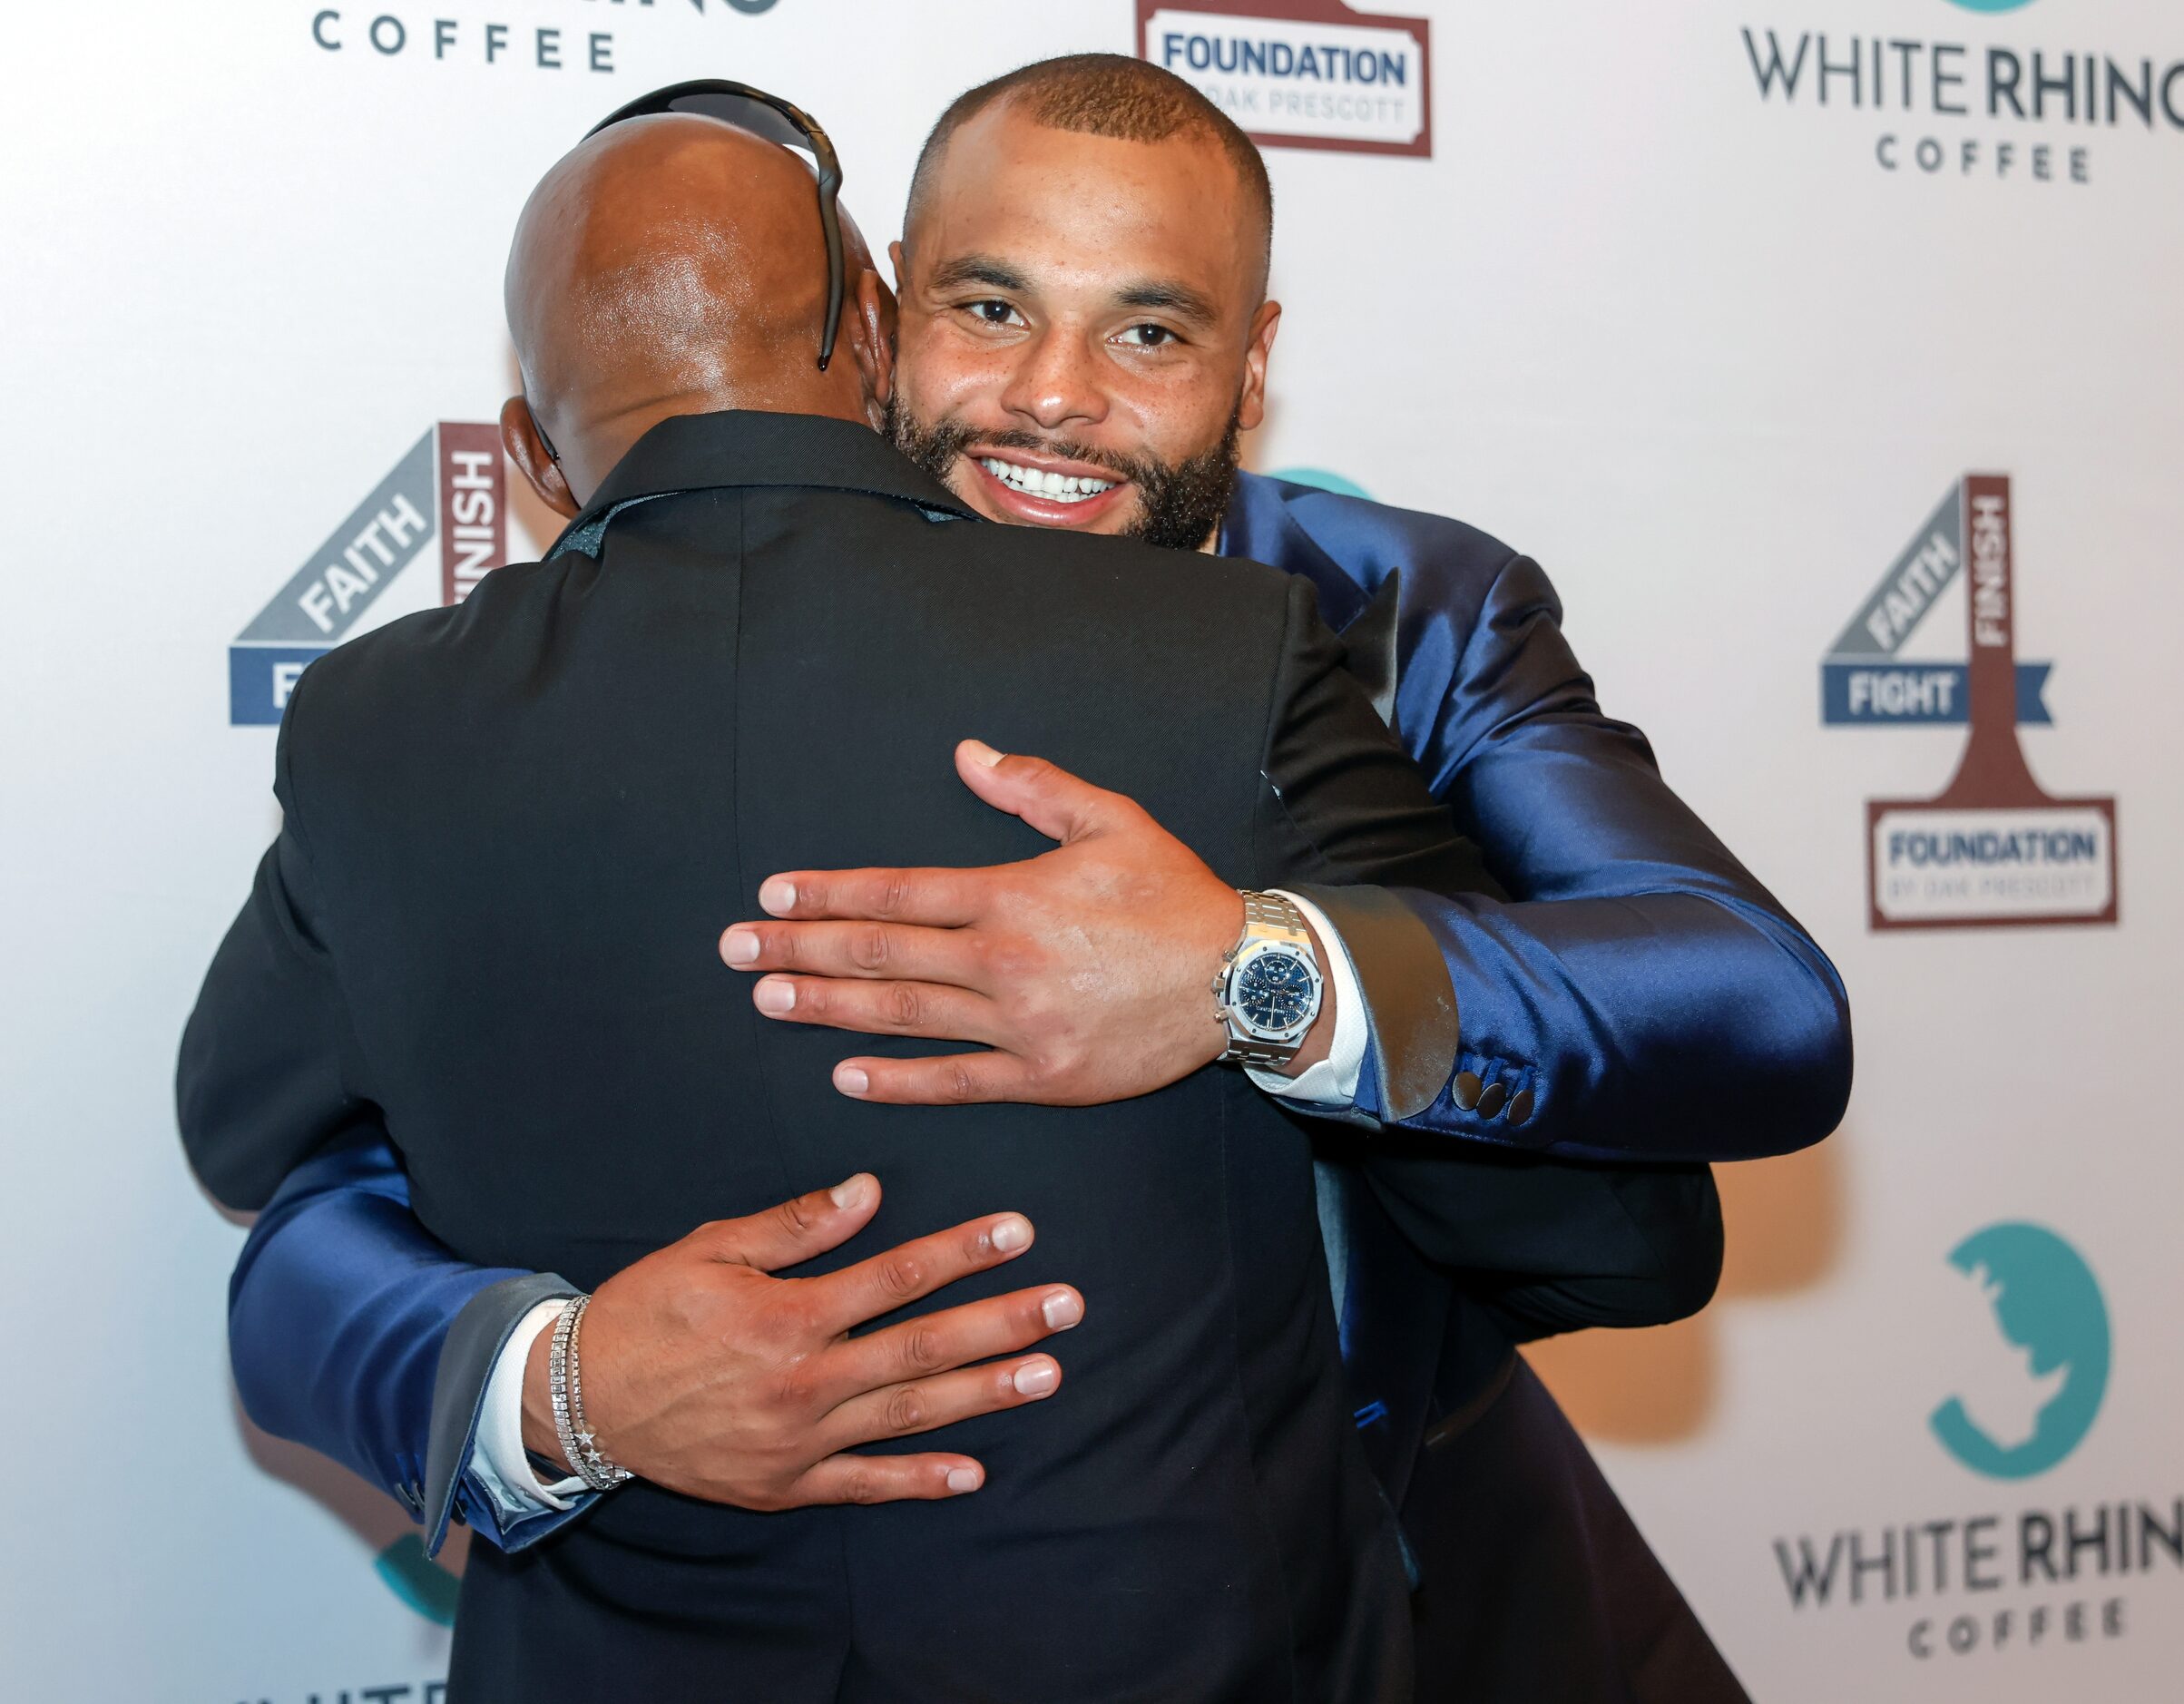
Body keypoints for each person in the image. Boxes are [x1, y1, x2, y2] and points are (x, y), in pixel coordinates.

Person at [208, 58, 1850, 1699]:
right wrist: (566, 1382)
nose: (1053, 398)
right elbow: (314, 1203)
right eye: (989, 310)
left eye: (1149, 333)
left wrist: (1253, 974)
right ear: (876, 316)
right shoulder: (609, 687)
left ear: (1253, 365)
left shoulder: (1396, 613)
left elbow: (1740, 1016)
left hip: (1402, 1563)